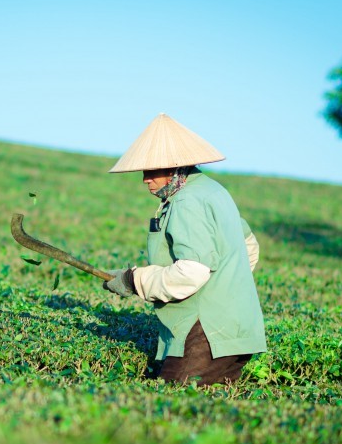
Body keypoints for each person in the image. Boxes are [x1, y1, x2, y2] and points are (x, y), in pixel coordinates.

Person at [103, 113, 266, 386]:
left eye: (152, 170)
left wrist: (134, 280)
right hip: (233, 329)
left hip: (207, 334)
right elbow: (248, 246)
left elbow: (191, 272)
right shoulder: (213, 191)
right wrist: (225, 290)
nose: (145, 179)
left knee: (170, 403)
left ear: (174, 166)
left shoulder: (187, 202)